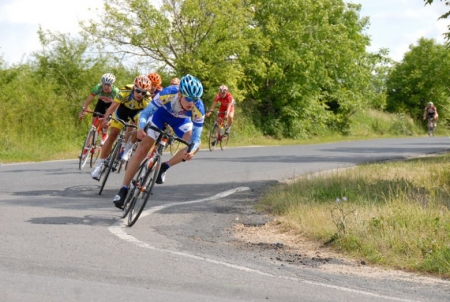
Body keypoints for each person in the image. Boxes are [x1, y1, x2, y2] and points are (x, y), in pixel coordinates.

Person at [112, 74, 205, 209]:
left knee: (197, 145)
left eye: (195, 99)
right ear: (180, 94)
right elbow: (145, 114)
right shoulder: (167, 93)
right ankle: (123, 189)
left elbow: (196, 138)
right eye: (189, 98)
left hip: (180, 121)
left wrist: (191, 151)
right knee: (143, 149)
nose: (192, 103)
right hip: (160, 115)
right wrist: (141, 128)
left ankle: (165, 166)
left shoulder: (198, 107)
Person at [91, 75, 153, 180]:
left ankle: (128, 148)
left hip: (137, 113)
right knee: (112, 135)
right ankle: (99, 165)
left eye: (143, 92)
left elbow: (148, 117)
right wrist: (105, 121)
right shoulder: (125, 91)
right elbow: (111, 108)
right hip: (122, 111)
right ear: (134, 88)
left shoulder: (147, 99)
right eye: (137, 91)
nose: (139, 94)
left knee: (138, 123)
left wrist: (143, 130)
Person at [79, 73, 119, 146]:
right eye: (104, 84)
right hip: (101, 103)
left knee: (106, 121)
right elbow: (88, 100)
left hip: (111, 105)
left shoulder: (115, 91)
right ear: (102, 83)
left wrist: (112, 118)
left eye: (108, 85)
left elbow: (117, 107)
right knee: (94, 125)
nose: (106, 87)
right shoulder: (97, 88)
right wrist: (82, 110)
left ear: (112, 85)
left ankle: (105, 133)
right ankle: (87, 148)